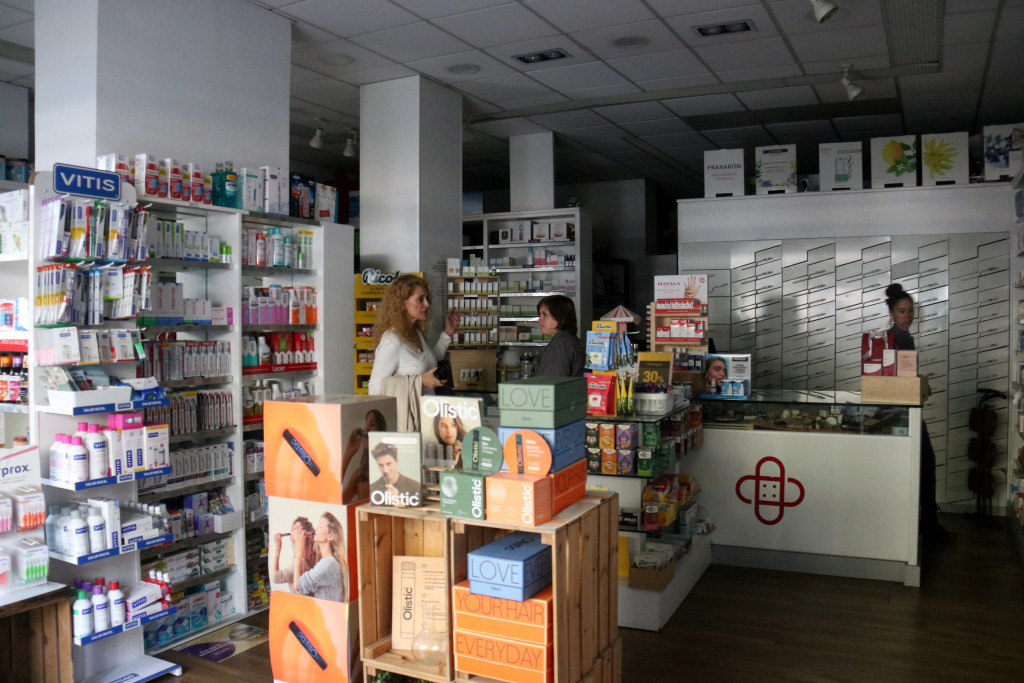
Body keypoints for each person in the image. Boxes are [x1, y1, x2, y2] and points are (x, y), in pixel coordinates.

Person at [885, 283, 953, 540]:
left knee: (923, 465)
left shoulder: (901, 336)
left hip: (906, 410)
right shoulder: (897, 338)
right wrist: (919, 386)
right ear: (892, 313)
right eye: (902, 311)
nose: (908, 316)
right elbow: (896, 381)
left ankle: (925, 522)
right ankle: (928, 524)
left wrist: (920, 383)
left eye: (911, 311)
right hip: (904, 413)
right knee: (926, 464)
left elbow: (904, 377)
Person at [368, 274, 459, 430]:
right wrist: (419, 381)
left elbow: (428, 364)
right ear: (402, 303)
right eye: (420, 299)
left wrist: (447, 334)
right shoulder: (392, 341)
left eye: (427, 299)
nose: (427, 304)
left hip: (427, 420)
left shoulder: (415, 332)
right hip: (408, 426)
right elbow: (374, 389)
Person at [296, 512, 349, 602]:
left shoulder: (328, 564)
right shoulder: (329, 562)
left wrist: (298, 551)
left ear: (330, 536)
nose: (315, 529)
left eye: (320, 527)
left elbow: (298, 586)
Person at [341, 409, 387, 504]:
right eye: (366, 424)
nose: (366, 429)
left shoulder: (391, 471)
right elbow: (335, 500)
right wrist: (348, 454)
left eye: (372, 424)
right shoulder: (359, 475)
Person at [534, 295, 585, 377]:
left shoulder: (560, 344)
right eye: (540, 315)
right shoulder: (570, 340)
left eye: (545, 315)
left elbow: (552, 381)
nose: (539, 320)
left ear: (561, 318)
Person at [368, 441, 421, 507]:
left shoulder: (415, 487)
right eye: (381, 465)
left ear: (396, 462)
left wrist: (399, 504)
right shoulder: (372, 488)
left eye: (388, 464)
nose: (385, 470)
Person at [271, 516, 315, 590]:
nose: (291, 530)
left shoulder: (300, 563)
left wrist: (277, 549)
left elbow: (276, 578)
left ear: (304, 535)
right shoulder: (305, 558)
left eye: (295, 528)